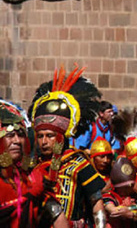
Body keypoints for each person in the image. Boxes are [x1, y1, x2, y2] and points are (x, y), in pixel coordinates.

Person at [30, 68, 107, 227]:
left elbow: (97, 204)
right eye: (40, 136)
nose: (44, 141)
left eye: (50, 136)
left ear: (61, 137)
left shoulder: (79, 164)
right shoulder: (32, 166)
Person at [0, 99, 69, 228]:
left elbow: (57, 215)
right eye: (9, 135)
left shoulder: (34, 178)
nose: (17, 141)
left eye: (20, 135)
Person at [103, 157, 137, 228]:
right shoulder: (108, 196)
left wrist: (131, 214)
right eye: (129, 186)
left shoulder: (136, 196)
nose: (132, 187)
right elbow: (113, 211)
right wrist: (136, 208)